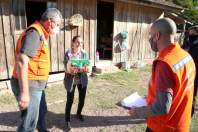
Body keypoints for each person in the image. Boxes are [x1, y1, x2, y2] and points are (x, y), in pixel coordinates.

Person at [128, 18, 196, 132]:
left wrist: (138, 112)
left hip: (163, 127)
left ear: (157, 35)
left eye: (151, 35)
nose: (150, 39)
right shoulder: (186, 56)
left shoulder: (165, 63)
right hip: (181, 125)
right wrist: (149, 98)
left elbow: (162, 107)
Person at [10, 8, 62, 132]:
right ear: (50, 22)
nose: (58, 27)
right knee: (28, 123)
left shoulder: (42, 33)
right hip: (30, 84)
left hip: (37, 85)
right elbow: (23, 61)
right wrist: (25, 93)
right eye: (58, 24)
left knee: (42, 111)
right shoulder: (35, 32)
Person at [64, 35, 90, 130]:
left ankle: (78, 113)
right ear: (73, 43)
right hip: (71, 80)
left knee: (82, 99)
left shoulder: (84, 53)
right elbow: (66, 68)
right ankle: (67, 121)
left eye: (81, 42)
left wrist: (86, 69)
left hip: (82, 79)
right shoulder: (68, 53)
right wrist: (70, 70)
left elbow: (87, 66)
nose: (79, 44)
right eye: (77, 42)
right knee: (70, 101)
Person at [182, 26, 198, 116]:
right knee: (185, 93)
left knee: (192, 95)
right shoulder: (187, 43)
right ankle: (185, 111)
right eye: (190, 33)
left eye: (193, 33)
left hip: (195, 75)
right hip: (186, 73)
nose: (191, 35)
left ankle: (190, 113)